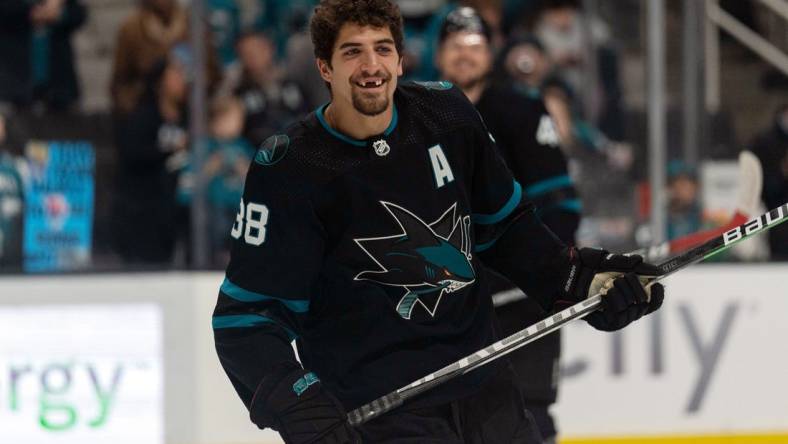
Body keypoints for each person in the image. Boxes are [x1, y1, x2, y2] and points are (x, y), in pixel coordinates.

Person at [212, 1, 664, 443]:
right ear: (324, 67)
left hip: (489, 397)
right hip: (380, 417)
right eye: (353, 52)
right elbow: (245, 320)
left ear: (401, 60)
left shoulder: (447, 116)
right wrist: (299, 404)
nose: (372, 65)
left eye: (383, 49)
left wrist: (579, 278)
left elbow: (507, 229)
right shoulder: (291, 168)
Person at [434, 8, 577, 443]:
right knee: (444, 416)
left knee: (529, 412)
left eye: (474, 45)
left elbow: (559, 204)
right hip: (445, 304)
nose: (465, 54)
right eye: (455, 45)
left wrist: (546, 268)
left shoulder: (521, 109)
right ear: (438, 55)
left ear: (491, 52)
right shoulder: (414, 116)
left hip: (520, 300)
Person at [0, 0, 87, 111]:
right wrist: (36, 11)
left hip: (58, 82)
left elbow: (78, 14)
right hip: (16, 81)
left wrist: (59, 13)